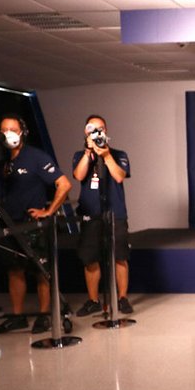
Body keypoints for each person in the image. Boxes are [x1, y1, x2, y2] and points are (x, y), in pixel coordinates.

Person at [0, 114, 71, 333]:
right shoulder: (5, 160)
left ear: (22, 133)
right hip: (11, 223)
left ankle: (44, 314)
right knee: (14, 270)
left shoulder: (36, 156)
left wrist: (48, 211)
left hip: (33, 224)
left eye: (12, 129)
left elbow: (64, 185)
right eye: (4, 129)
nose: (8, 133)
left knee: (41, 271)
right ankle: (18, 316)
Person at [72, 115, 132, 317]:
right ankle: (93, 300)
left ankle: (122, 298)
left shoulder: (119, 154)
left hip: (115, 213)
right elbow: (78, 176)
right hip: (91, 214)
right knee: (90, 259)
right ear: (86, 132)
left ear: (106, 130)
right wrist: (89, 152)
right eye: (93, 129)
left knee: (120, 257)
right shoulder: (80, 155)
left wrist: (106, 156)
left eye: (101, 128)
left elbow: (119, 176)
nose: (98, 132)